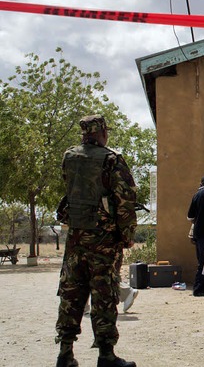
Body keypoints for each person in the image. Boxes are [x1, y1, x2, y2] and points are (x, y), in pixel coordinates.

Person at [55, 114, 137, 367]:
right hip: (103, 241)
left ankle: (65, 353)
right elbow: (125, 203)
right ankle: (106, 355)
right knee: (103, 294)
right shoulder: (112, 160)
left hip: (75, 239)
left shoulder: (69, 158)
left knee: (71, 293)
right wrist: (126, 237)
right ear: (102, 132)